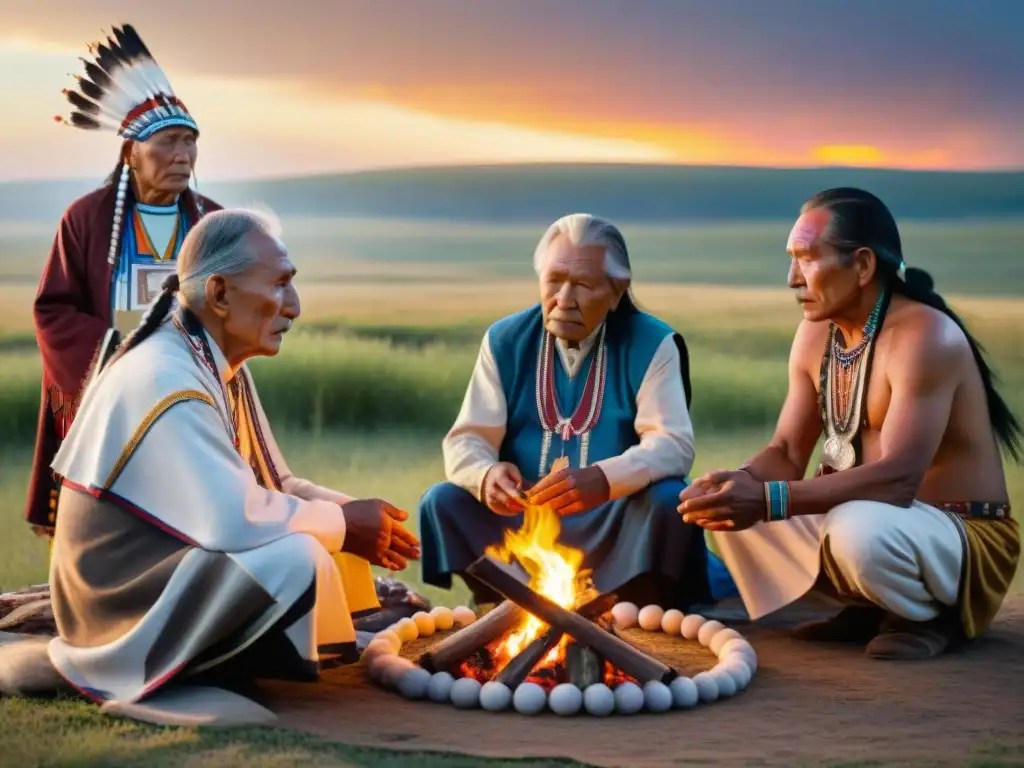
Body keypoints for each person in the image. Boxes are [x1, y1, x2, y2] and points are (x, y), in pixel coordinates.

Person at [46, 206, 420, 707]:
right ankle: (208, 664)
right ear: (220, 293)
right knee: (299, 556)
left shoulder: (213, 362)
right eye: (280, 285)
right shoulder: (167, 377)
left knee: (328, 538)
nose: (294, 306)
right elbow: (232, 517)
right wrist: (344, 523)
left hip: (166, 568)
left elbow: (276, 483)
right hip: (115, 604)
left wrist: (359, 515)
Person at [678, 188, 1020, 660]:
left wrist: (768, 498)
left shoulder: (926, 336)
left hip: (958, 537)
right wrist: (740, 483)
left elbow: (900, 479)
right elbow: (786, 451)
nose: (792, 278)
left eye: (807, 259)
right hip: (869, 521)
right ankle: (867, 606)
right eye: (791, 259)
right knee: (726, 512)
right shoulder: (817, 333)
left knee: (856, 528)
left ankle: (929, 616)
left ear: (862, 266)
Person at [419, 213, 735, 610]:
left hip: (616, 521)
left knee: (670, 499)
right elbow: (468, 438)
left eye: (583, 285)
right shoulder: (505, 339)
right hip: (524, 516)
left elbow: (672, 445)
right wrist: (486, 475)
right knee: (444, 500)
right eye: (554, 280)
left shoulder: (654, 343)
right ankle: (504, 602)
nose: (564, 299)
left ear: (617, 290)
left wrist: (603, 479)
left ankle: (636, 608)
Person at [27, 24, 221, 538]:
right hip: (109, 397)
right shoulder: (86, 220)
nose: (183, 155)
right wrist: (118, 353)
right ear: (131, 152)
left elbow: (243, 300)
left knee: (200, 515)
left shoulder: (214, 222)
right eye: (168, 142)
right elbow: (53, 310)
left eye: (190, 142)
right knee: (107, 528)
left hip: (195, 394)